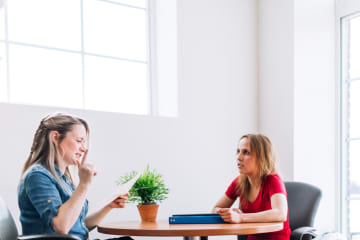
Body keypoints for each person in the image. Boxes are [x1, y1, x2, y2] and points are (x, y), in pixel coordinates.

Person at [18, 113, 133, 240]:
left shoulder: (63, 178)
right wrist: (84, 185)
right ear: (55, 137)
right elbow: (62, 227)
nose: (84, 149)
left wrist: (109, 206)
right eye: (79, 141)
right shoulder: (38, 176)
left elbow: (78, 226)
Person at [212, 134, 291, 240]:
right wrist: (227, 213)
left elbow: (280, 213)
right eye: (238, 151)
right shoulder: (239, 182)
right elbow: (215, 209)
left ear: (261, 157)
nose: (238, 157)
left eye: (246, 152)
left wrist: (241, 217)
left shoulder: (273, 180)